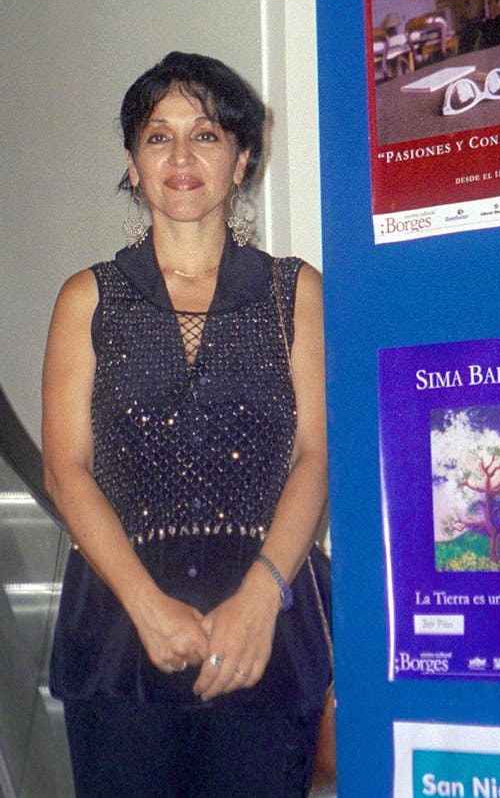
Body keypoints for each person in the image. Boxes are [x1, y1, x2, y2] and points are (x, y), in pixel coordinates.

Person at [42, 51, 331, 797]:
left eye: (204, 135)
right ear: (132, 164)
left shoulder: (294, 292)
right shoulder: (88, 298)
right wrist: (146, 603)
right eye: (157, 136)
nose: (180, 156)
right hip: (116, 631)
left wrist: (263, 596)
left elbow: (317, 455)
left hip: (263, 633)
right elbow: (65, 468)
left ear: (242, 160)